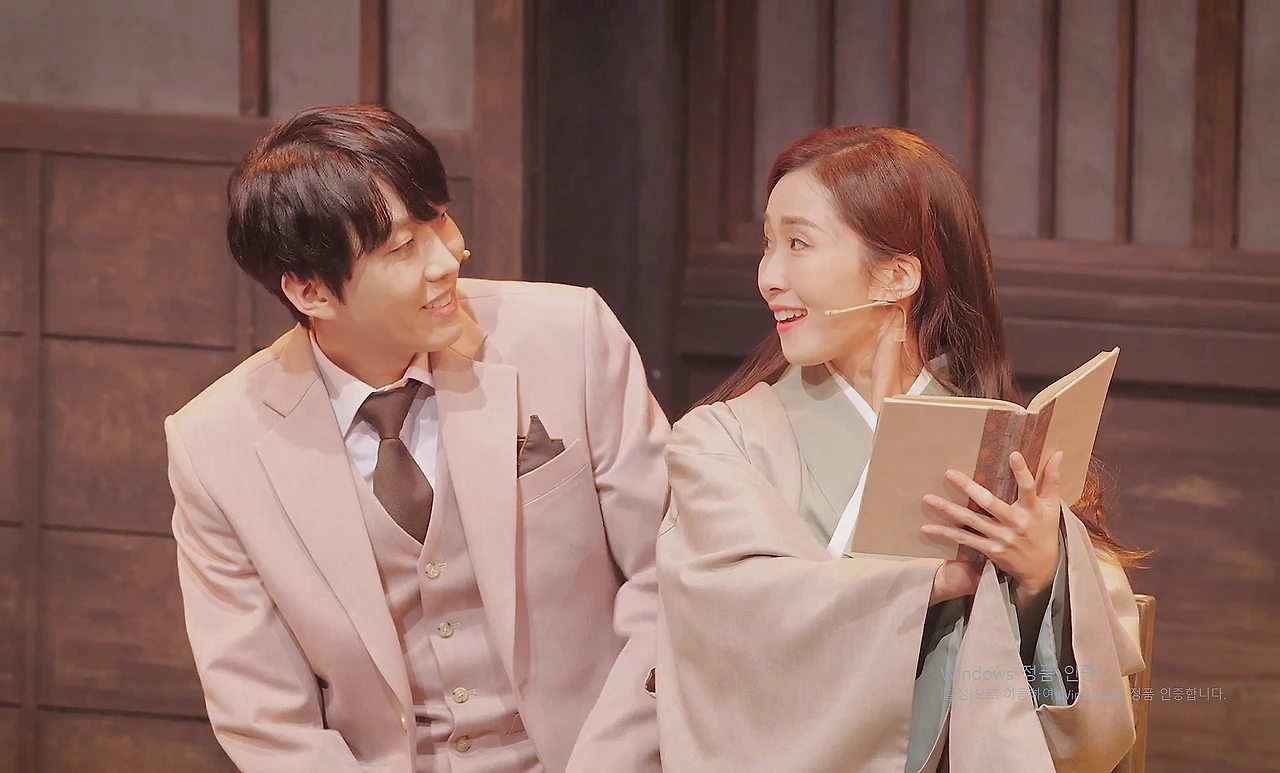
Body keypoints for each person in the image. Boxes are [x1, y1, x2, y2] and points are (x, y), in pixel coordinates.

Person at [165, 104, 667, 773]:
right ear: (310, 291)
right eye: (402, 248)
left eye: (439, 221)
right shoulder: (214, 446)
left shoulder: (569, 337)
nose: (446, 260)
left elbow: (669, 575)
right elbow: (265, 717)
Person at [654, 126, 1148, 773]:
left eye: (798, 243)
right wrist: (932, 583)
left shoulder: (1000, 446)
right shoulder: (720, 440)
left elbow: (1095, 714)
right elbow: (728, 615)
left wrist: (1040, 575)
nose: (768, 276)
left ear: (896, 276)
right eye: (768, 243)